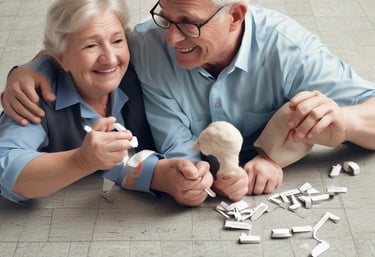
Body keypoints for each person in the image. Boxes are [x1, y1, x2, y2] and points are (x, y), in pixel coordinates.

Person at [3, 0, 375, 198]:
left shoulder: (290, 50)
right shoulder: (147, 46)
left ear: (235, 16)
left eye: (188, 22)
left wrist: (345, 122)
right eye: (165, 16)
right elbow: (84, 40)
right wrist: (30, 67)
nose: (170, 38)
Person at [0, 0, 214, 206]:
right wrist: (81, 161)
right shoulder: (36, 95)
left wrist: (170, 177)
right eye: (91, 45)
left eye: (117, 41)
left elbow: (126, 163)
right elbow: (6, 167)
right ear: (60, 57)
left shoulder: (142, 67)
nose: (110, 59)